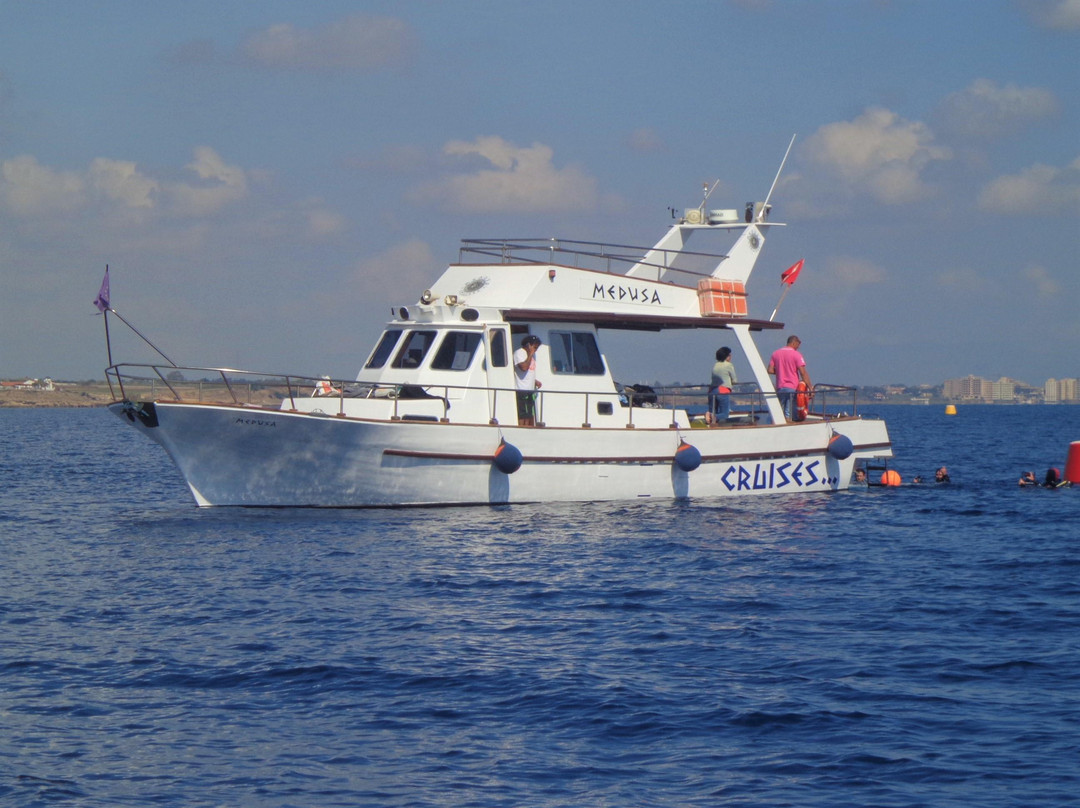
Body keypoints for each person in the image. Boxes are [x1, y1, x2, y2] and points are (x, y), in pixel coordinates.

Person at [767, 335, 811, 421]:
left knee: (779, 410)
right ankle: (791, 426)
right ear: (794, 343)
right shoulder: (796, 355)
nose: (798, 347)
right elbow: (803, 372)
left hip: (780, 387)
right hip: (792, 388)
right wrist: (810, 387)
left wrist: (780, 371)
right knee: (791, 413)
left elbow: (770, 370)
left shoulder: (775, 353)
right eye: (798, 345)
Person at [513, 335, 542, 426]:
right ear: (528, 345)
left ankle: (530, 430)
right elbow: (524, 368)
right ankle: (521, 430)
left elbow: (528, 372)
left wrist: (535, 381)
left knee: (530, 413)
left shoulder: (531, 357)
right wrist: (530, 354)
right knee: (523, 415)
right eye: (535, 347)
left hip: (530, 390)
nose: (536, 349)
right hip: (521, 389)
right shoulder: (519, 353)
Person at [708, 346, 737, 424]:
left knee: (713, 410)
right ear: (727, 356)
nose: (731, 357)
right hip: (723, 391)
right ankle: (713, 416)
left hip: (712, 390)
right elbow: (735, 380)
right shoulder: (729, 365)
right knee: (724, 414)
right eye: (730, 355)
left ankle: (710, 415)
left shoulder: (715, 365)